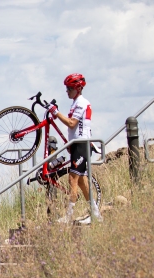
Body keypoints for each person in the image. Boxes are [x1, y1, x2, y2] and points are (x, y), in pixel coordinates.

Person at [48, 73, 102, 224]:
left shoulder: (82, 103)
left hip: (82, 144)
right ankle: (96, 215)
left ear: (78, 89)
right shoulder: (75, 102)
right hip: (77, 145)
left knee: (73, 178)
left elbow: (72, 123)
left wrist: (55, 112)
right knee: (82, 182)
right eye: (66, 88)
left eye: (70, 88)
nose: (67, 91)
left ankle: (69, 215)